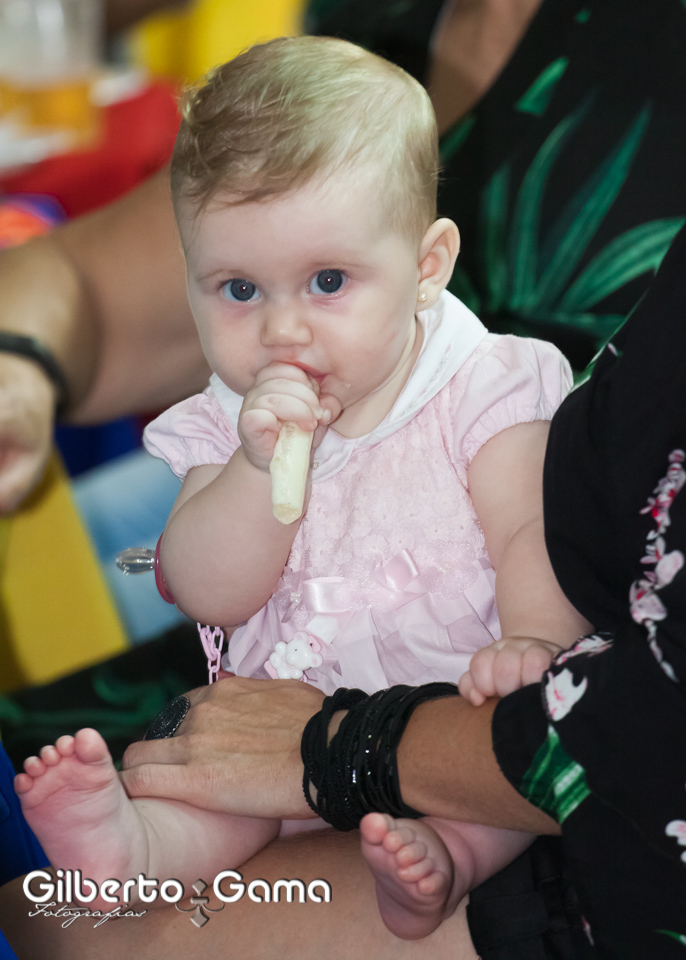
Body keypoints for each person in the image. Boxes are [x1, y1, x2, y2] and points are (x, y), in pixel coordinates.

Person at [13, 35, 589, 943]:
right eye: (238, 289)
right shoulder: (224, 417)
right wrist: (253, 469)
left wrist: (534, 640)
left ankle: (439, 867)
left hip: (451, 709)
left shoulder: (483, 384)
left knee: (496, 799)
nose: (282, 330)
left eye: (327, 282)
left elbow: (529, 531)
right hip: (276, 730)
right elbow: (207, 588)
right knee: (209, 801)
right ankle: (133, 849)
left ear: (428, 265)